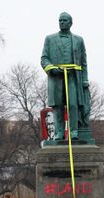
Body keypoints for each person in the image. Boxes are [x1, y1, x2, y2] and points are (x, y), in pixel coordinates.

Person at [41, 12, 90, 141]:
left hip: (73, 77)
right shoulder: (49, 39)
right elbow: (44, 59)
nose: (62, 22)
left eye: (64, 20)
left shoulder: (79, 40)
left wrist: (85, 79)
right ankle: (59, 133)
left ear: (70, 23)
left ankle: (74, 132)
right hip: (56, 78)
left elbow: (84, 61)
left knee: (73, 104)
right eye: (60, 20)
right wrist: (53, 70)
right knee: (58, 106)